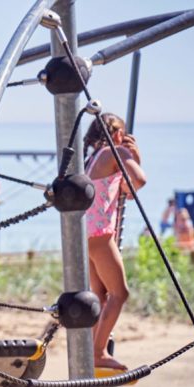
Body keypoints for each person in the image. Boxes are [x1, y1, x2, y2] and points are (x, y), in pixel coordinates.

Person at [83, 113, 147, 371]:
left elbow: (127, 192)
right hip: (101, 235)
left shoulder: (91, 159)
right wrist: (134, 155)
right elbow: (140, 181)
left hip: (85, 234)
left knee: (99, 295)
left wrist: (131, 159)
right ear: (117, 133)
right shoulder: (115, 151)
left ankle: (92, 351)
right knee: (120, 293)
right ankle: (98, 352)